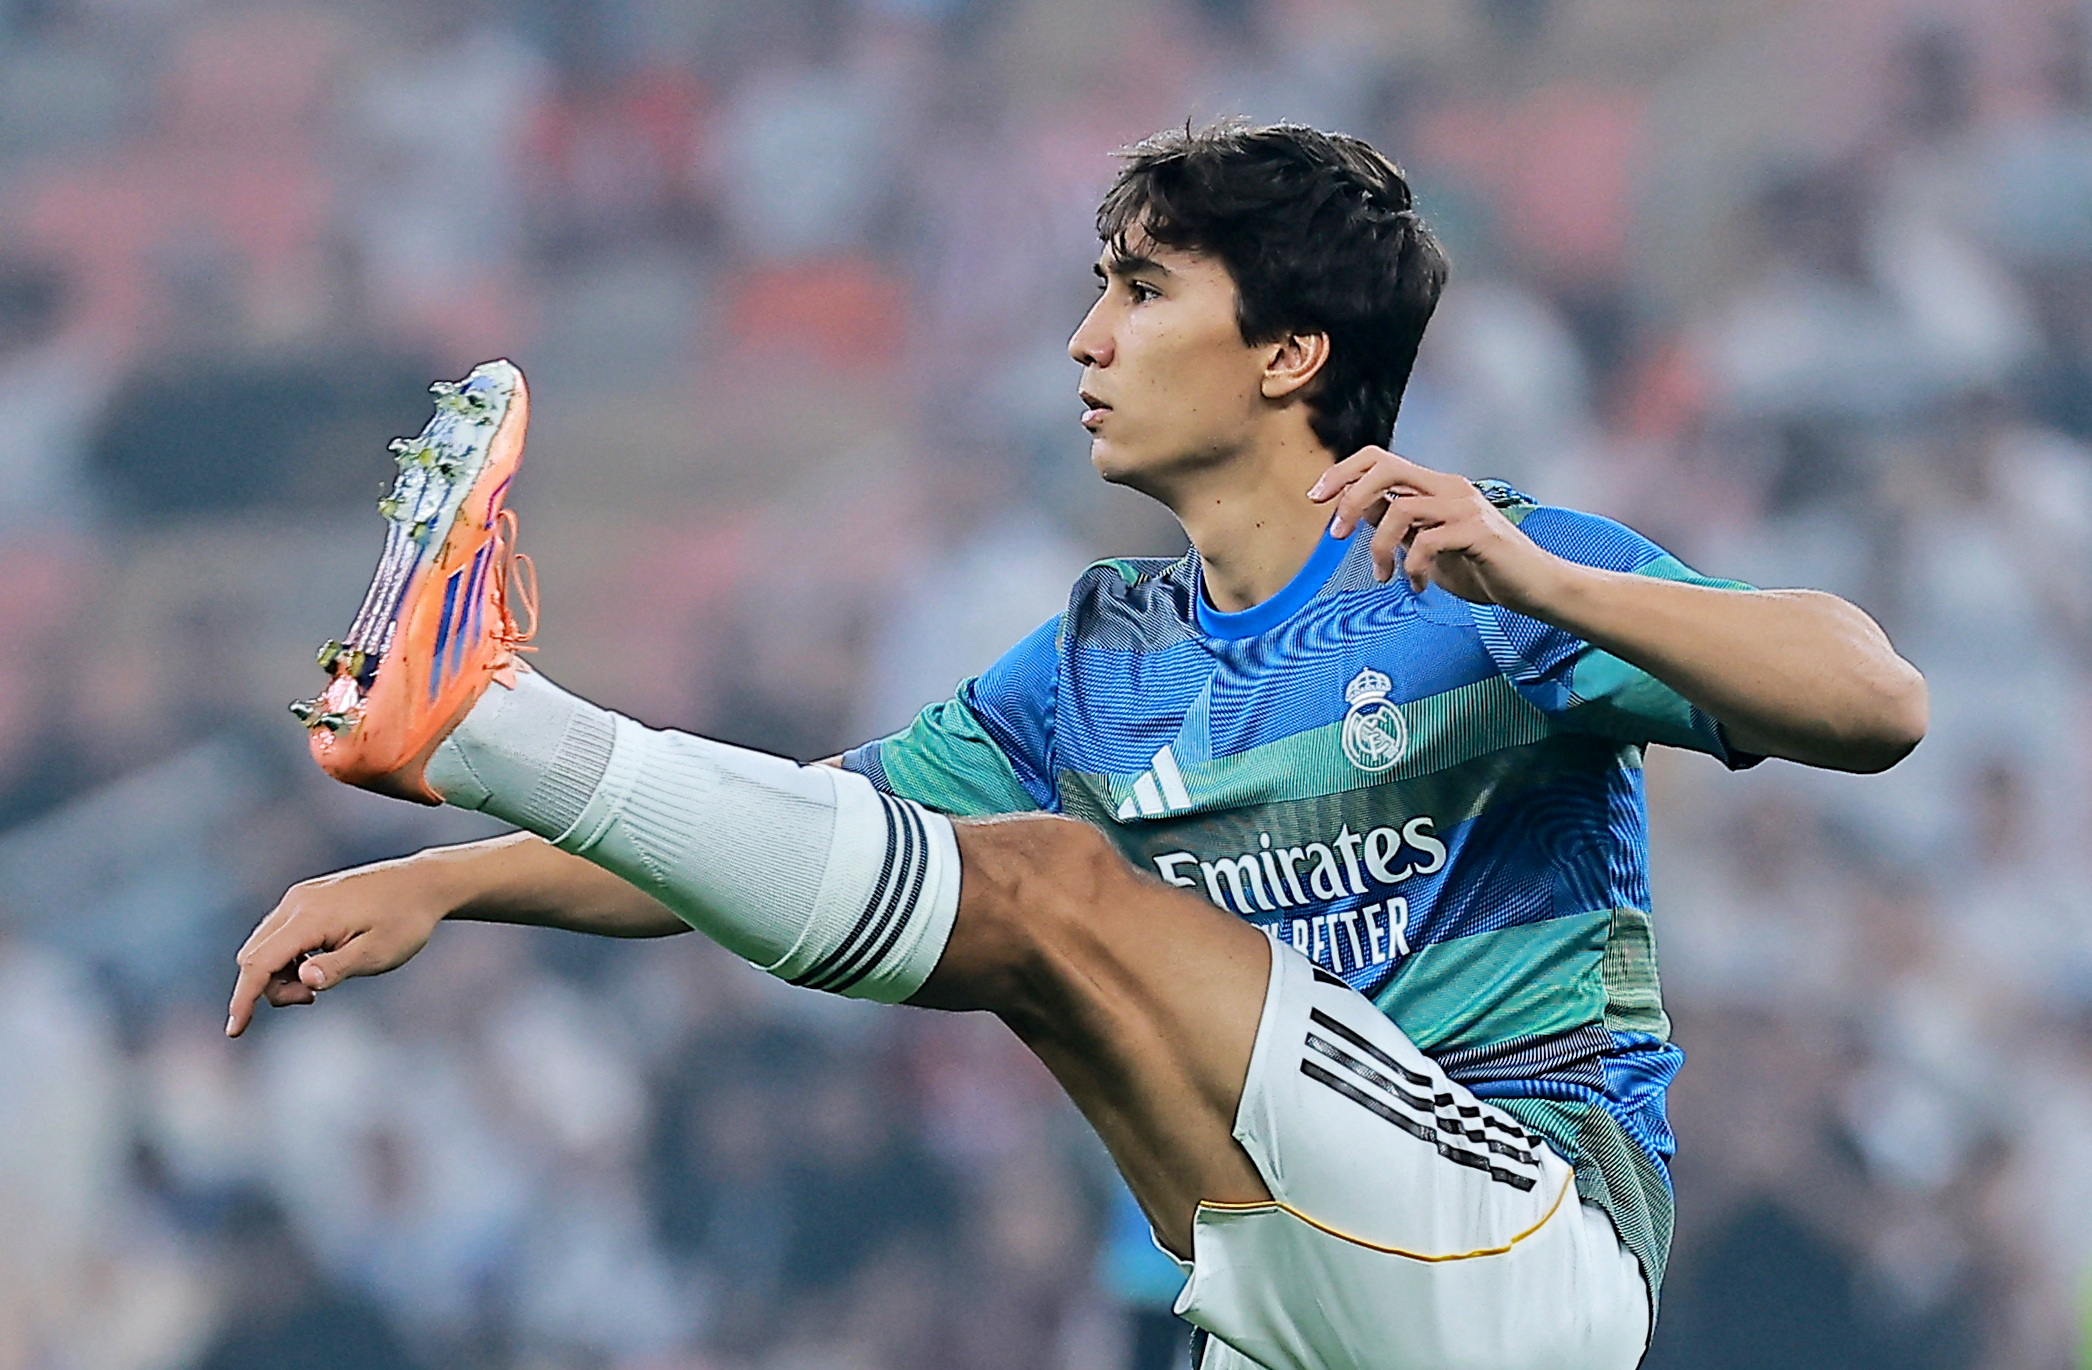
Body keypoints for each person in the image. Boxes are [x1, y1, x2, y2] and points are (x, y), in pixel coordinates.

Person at [229, 123, 1927, 1370]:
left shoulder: (1476, 570)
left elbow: (1873, 698)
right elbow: (803, 833)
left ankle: (490, 712)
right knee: (996, 914)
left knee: (1040, 894)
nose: (1083, 341)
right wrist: (442, 882)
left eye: (1138, 289)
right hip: (1278, 1299)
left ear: (1290, 350)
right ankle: (465, 737)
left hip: (1527, 1238)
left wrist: (1553, 580)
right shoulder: (1105, 653)